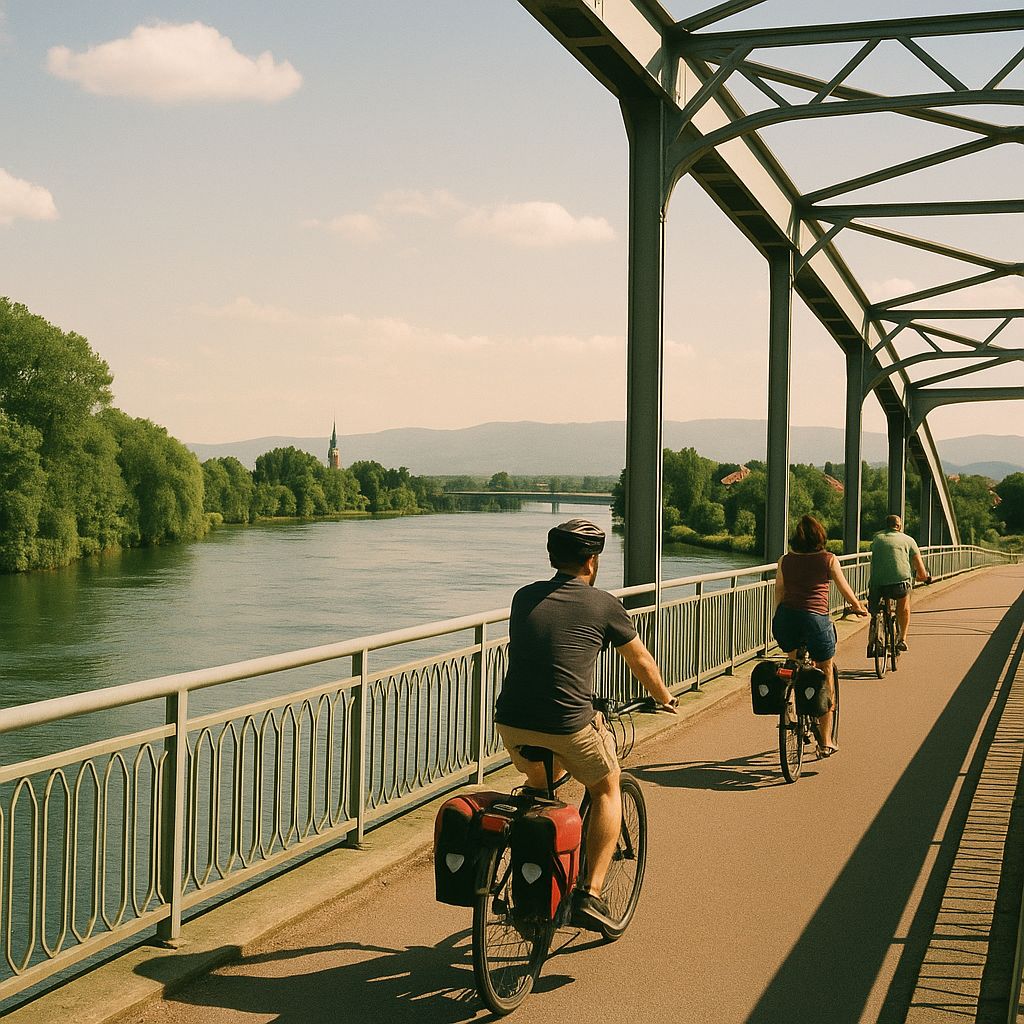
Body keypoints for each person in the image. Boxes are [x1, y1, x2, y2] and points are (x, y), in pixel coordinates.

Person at [493, 518, 677, 931]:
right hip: (567, 724)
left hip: (512, 722)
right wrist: (665, 698)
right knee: (608, 785)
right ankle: (590, 894)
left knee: (542, 783)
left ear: (552, 558)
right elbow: (641, 661)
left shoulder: (522, 598)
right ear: (591, 562)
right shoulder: (604, 604)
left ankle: (528, 872)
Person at [772, 514, 867, 757]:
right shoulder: (828, 559)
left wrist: (778, 620)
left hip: (785, 620)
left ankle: (788, 705)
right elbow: (844, 588)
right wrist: (858, 606)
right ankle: (825, 742)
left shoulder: (785, 560)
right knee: (825, 672)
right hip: (815, 621)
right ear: (820, 537)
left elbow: (779, 592)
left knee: (793, 663)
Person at [869, 513, 932, 651]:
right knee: (904, 607)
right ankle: (902, 639)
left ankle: (875, 634)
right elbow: (920, 570)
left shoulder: (877, 539)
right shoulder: (908, 540)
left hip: (877, 583)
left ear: (886, 526)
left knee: (875, 607)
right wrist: (924, 578)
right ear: (899, 526)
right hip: (900, 583)